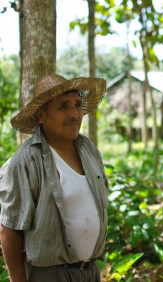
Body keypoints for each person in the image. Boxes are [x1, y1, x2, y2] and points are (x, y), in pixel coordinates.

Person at [0, 73, 109, 282]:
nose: (74, 114)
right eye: (63, 107)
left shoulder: (88, 150)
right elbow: (9, 229)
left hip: (90, 272)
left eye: (77, 105)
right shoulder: (26, 161)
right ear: (41, 116)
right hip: (49, 275)